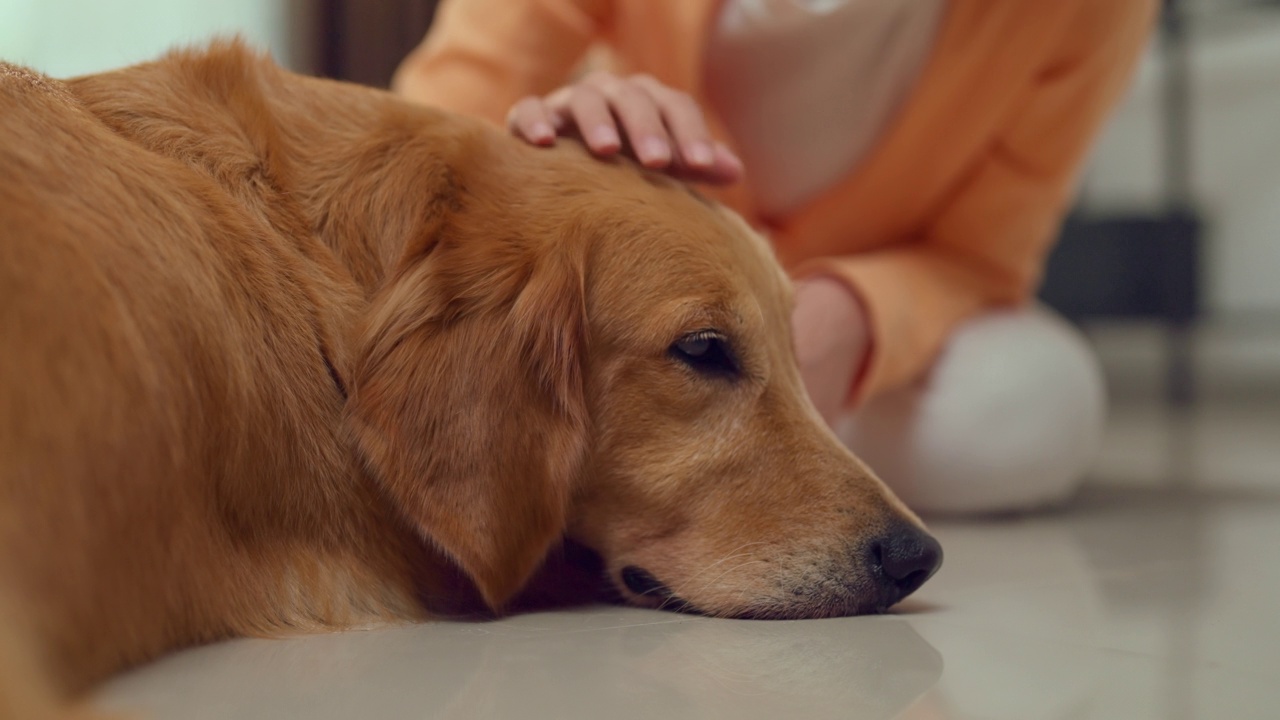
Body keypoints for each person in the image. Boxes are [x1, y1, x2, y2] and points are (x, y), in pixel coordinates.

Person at [392, 0, 1158, 514]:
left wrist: (852, 317)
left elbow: (978, 259)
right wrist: (544, 157)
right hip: (630, 289)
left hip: (856, 317)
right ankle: (675, 408)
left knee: (1034, 401)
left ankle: (635, 426)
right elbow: (419, 136)